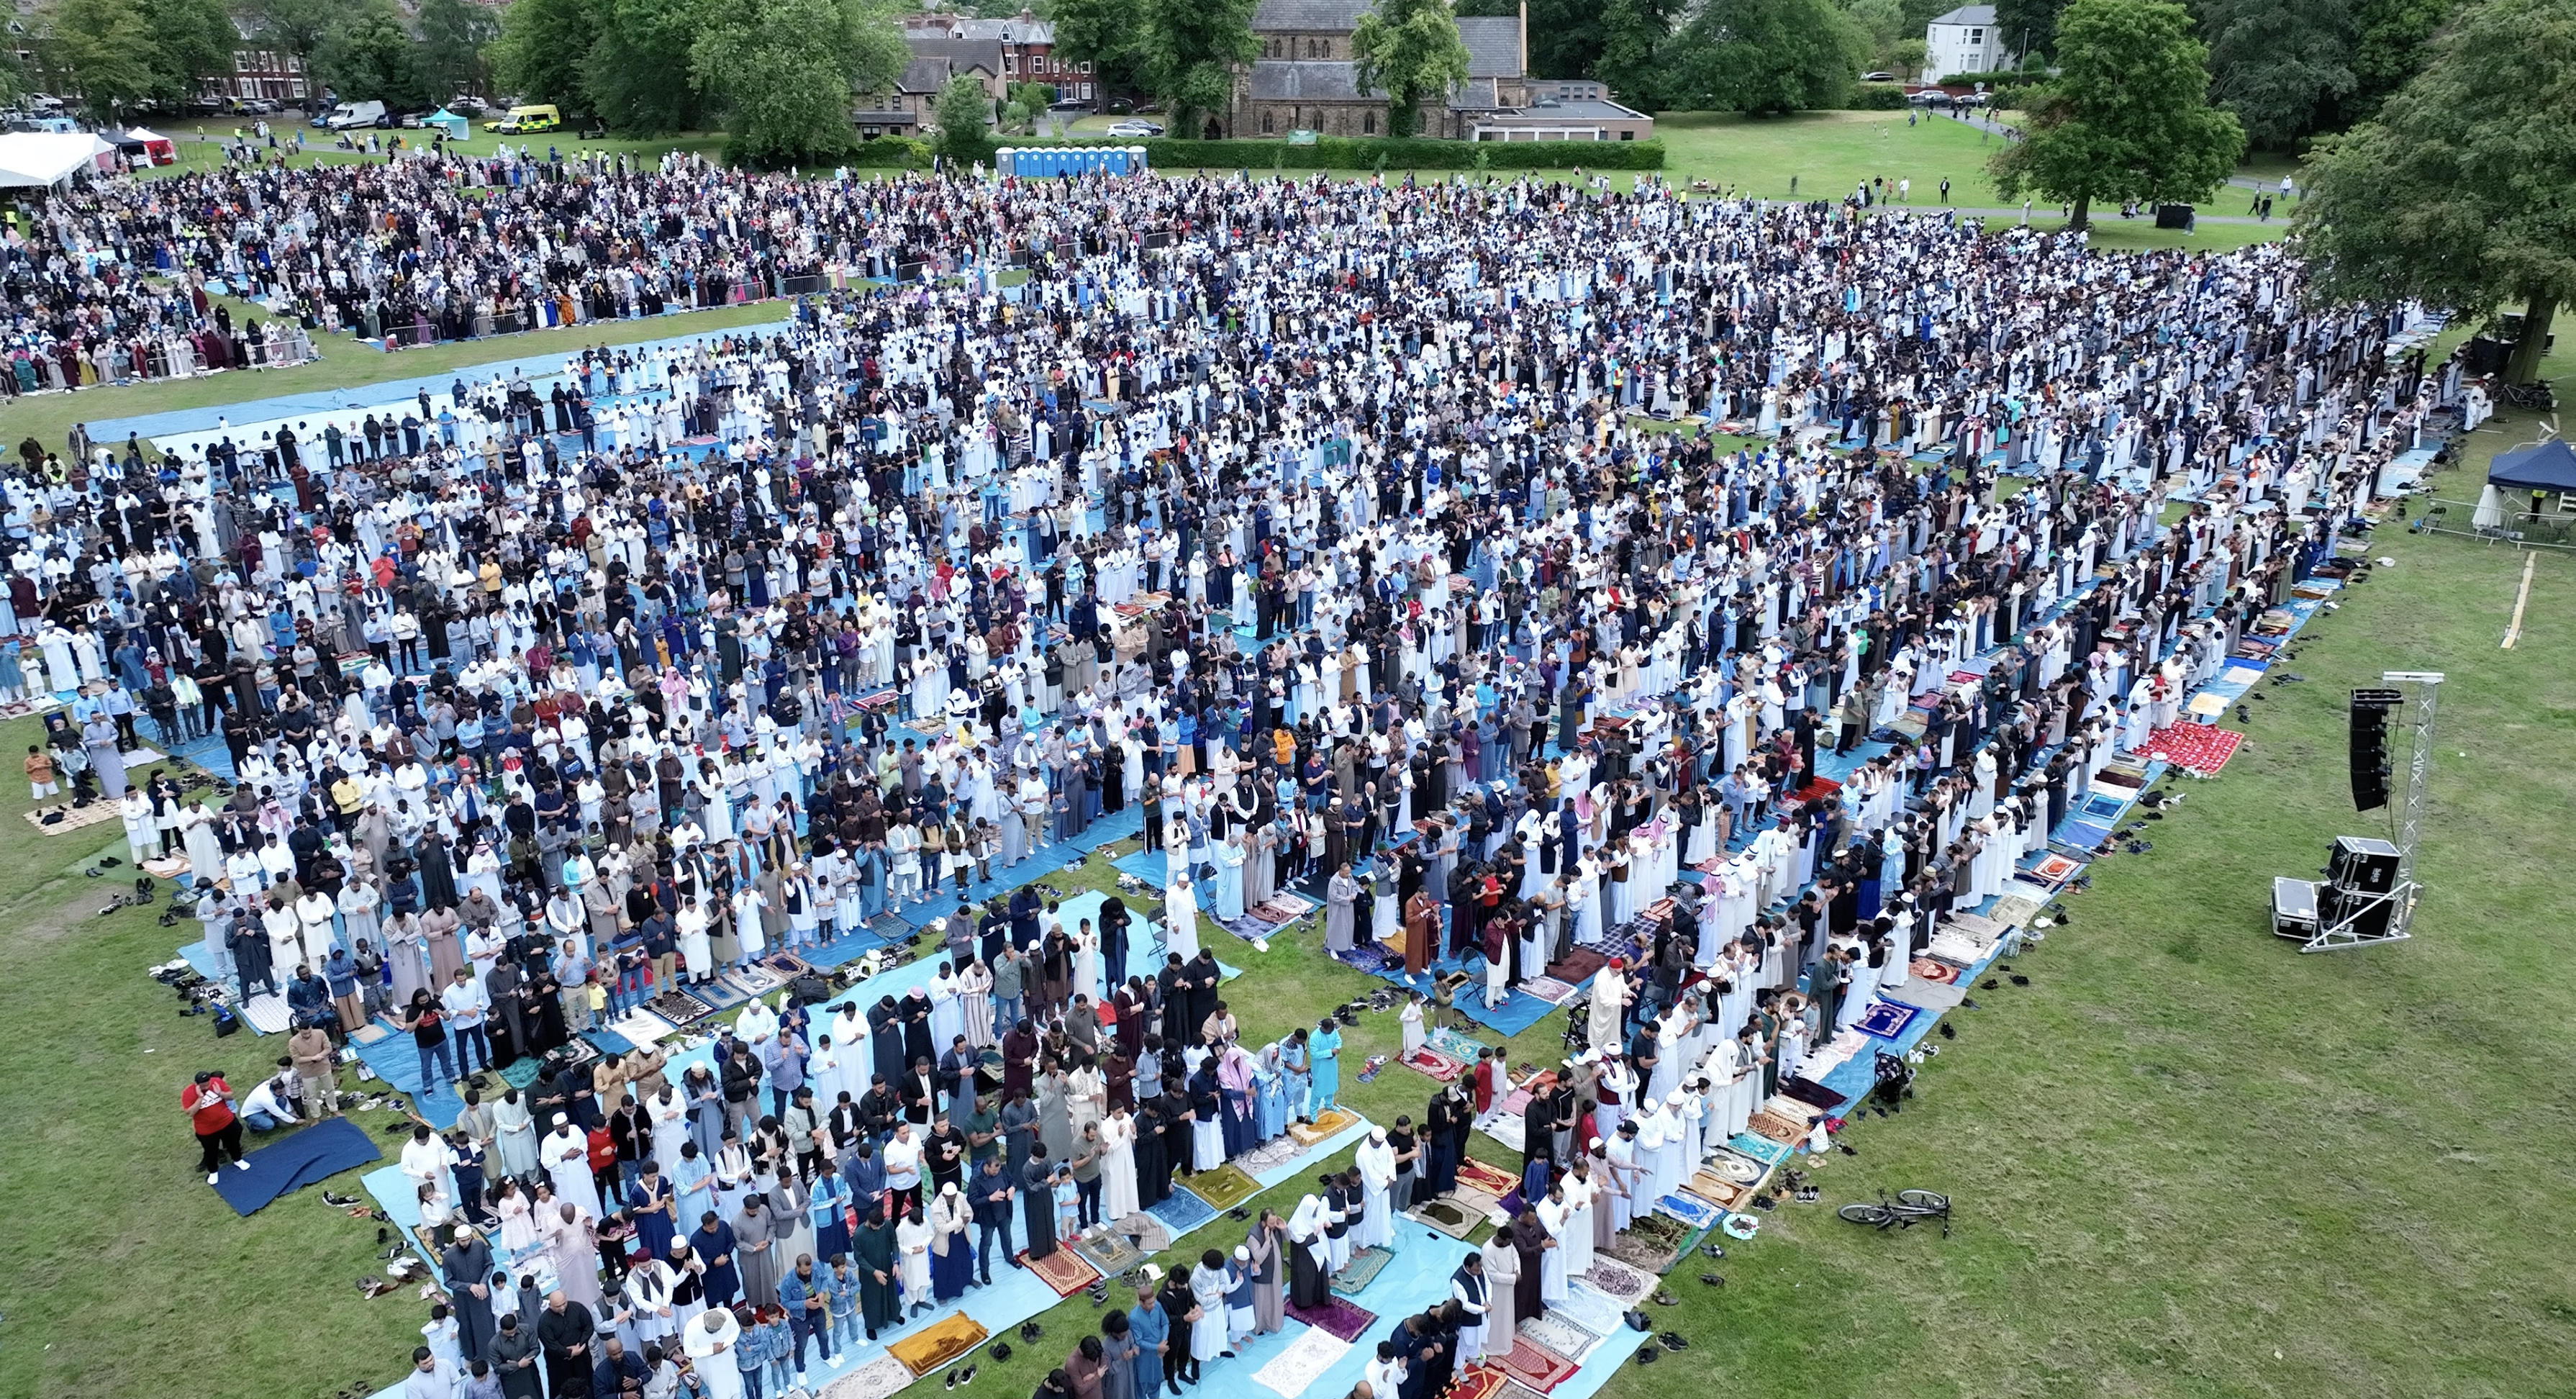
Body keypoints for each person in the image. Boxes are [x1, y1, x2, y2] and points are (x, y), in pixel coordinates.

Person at [183, 1071, 248, 1184]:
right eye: (203, 1086)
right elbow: (190, 1112)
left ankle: (238, 1160)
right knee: (211, 1151)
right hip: (206, 1130)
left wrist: (220, 1093)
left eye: (207, 1084)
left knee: (233, 1143)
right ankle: (213, 1171)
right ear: (196, 1083)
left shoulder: (216, 1082)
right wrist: (200, 1098)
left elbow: (231, 1096)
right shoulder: (188, 1092)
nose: (206, 1087)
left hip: (227, 1122)